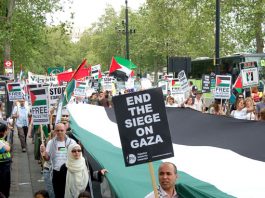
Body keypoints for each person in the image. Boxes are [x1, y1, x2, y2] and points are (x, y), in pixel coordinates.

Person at [40, 123, 76, 198]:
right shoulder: (51, 143)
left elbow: (77, 155)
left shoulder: (71, 142)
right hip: (56, 172)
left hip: (68, 171)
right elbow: (47, 159)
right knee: (58, 193)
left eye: (61, 130)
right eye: (58, 130)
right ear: (55, 131)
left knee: (69, 193)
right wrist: (43, 153)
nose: (59, 132)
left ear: (65, 131)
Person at [0, 121, 11, 198]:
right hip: (2, 167)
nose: (7, 131)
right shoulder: (1, 141)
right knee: (3, 187)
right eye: (6, 130)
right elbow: (7, 148)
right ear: (3, 132)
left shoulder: (2, 141)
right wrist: (7, 144)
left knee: (5, 186)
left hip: (5, 166)